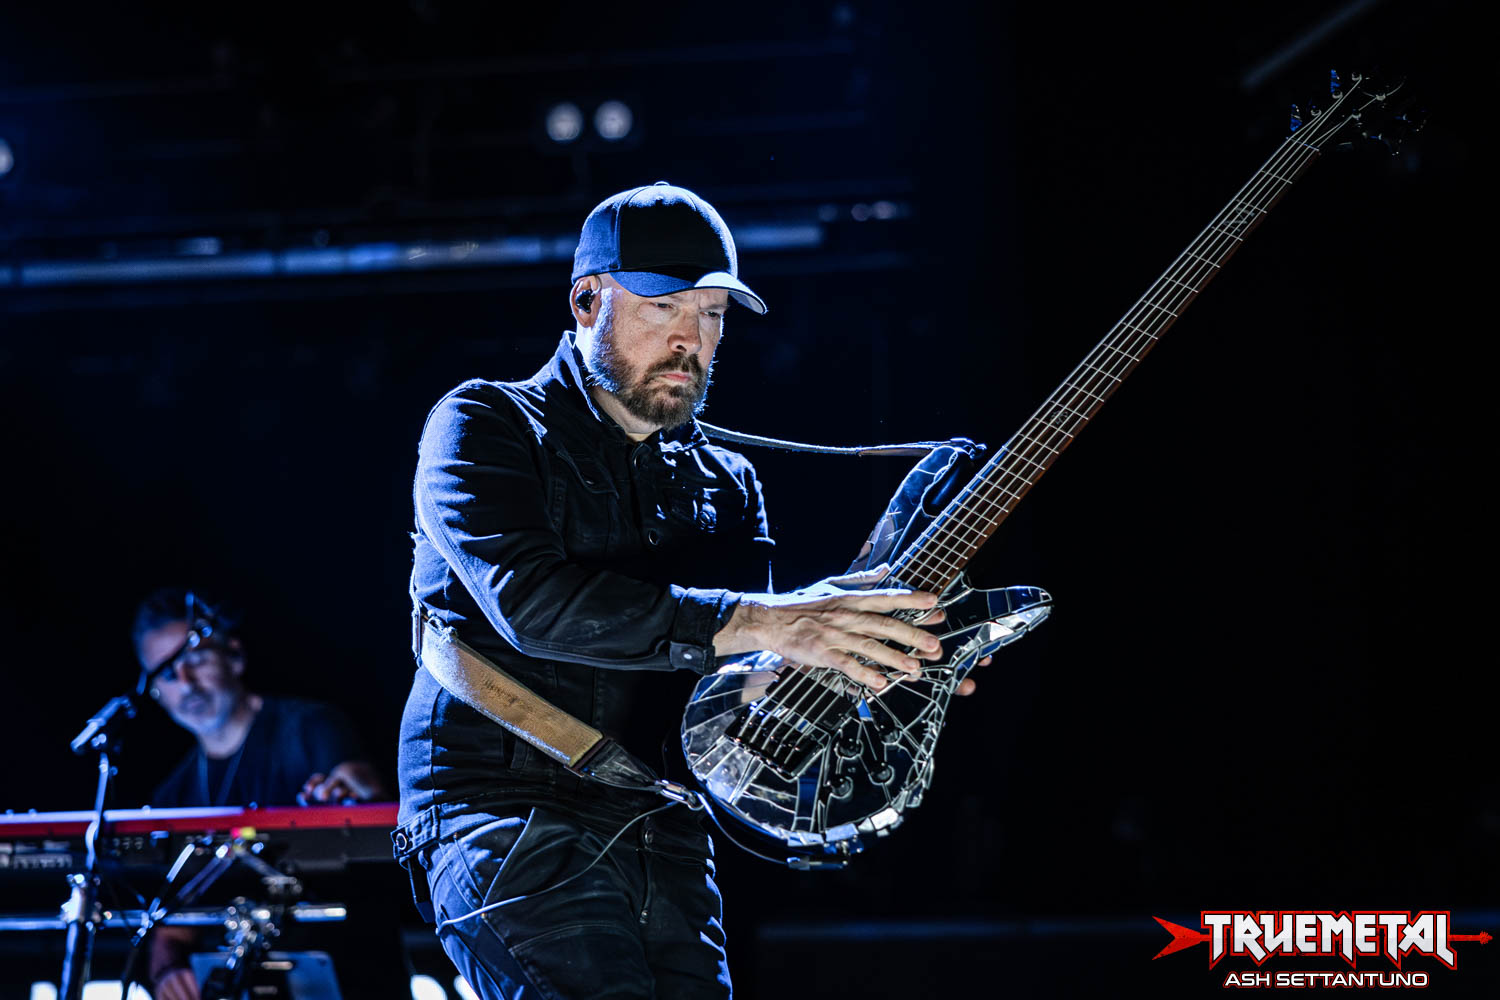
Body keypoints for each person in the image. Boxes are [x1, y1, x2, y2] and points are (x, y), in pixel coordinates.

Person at [395, 182, 980, 999]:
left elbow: (742, 683)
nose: (690, 338)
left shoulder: (728, 482)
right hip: (503, 807)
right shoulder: (483, 424)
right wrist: (772, 621)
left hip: (664, 820)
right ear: (587, 301)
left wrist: (876, 660)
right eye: (664, 306)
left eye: (711, 314)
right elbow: (532, 604)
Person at [130, 587, 388, 1000]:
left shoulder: (308, 725)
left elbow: (362, 789)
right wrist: (167, 970)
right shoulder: (173, 794)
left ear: (233, 656)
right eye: (167, 674)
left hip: (350, 973)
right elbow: (171, 924)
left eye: (195, 660)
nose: (186, 683)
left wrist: (351, 796)